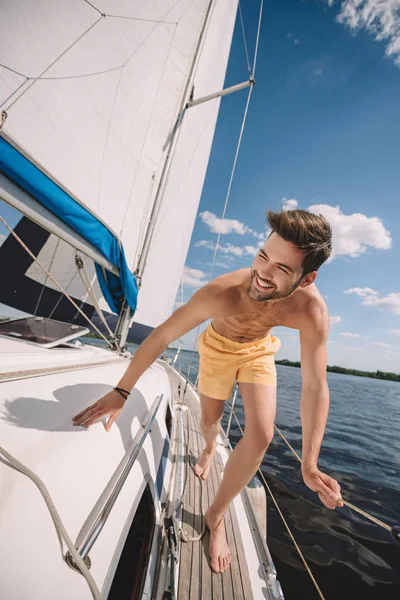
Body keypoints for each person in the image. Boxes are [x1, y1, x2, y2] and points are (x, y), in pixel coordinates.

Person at [73, 208, 343, 574]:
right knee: (210, 420)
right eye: (263, 256)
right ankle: (208, 447)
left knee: (262, 435)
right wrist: (122, 392)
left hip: (258, 351)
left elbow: (314, 384)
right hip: (216, 348)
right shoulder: (224, 293)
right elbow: (163, 335)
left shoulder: (312, 311)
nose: (263, 273)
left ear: (307, 278)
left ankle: (215, 516)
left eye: (281, 268)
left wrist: (309, 462)